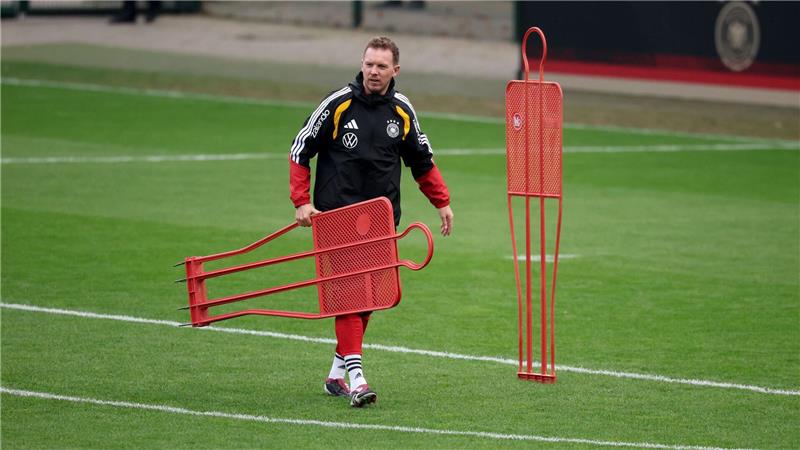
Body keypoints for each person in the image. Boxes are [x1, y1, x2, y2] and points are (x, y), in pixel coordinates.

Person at [288, 36, 453, 407]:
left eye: (381, 66)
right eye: (368, 64)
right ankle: (358, 379)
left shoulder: (402, 110)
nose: (373, 72)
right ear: (361, 64)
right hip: (337, 218)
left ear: (395, 70)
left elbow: (421, 161)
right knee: (350, 294)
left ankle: (336, 373)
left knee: (370, 298)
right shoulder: (336, 104)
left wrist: (442, 203)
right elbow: (300, 150)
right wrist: (301, 202)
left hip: (381, 221)